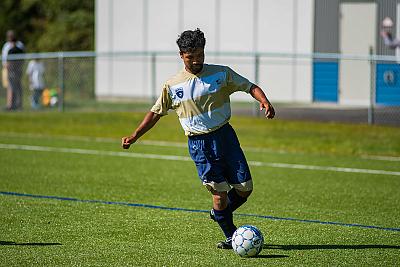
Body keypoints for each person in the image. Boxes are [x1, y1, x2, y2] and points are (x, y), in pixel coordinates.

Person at [121, 28, 275, 249]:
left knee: (245, 188)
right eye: (190, 57)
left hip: (226, 137)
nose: (196, 60)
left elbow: (250, 86)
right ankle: (232, 236)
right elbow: (156, 112)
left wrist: (265, 101)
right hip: (200, 144)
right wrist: (135, 135)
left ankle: (219, 214)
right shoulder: (173, 85)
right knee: (219, 193)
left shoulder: (221, 74)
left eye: (200, 55)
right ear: (181, 55)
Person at [2, 30, 24, 110]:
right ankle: (13, 104)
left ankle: (12, 105)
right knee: (12, 87)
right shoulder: (7, 46)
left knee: (13, 87)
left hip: (13, 70)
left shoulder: (17, 47)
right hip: (11, 70)